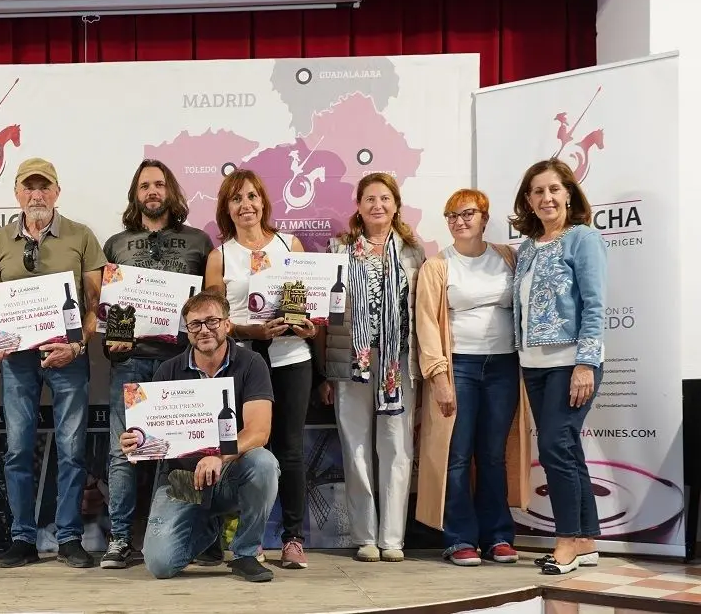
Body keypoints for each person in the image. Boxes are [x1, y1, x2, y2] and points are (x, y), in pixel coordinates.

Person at [0, 157, 107, 569]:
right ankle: (22, 537)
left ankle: (69, 537)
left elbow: (96, 305)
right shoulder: (0, 241)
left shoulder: (81, 236)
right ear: (16, 192)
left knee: (71, 450)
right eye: (28, 187)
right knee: (17, 450)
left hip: (67, 357)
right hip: (17, 361)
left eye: (44, 187)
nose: (37, 194)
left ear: (57, 191)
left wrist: (78, 345)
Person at [99, 159, 213, 569]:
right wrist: (113, 344)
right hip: (130, 363)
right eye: (145, 185)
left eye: (159, 184)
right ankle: (119, 540)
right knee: (123, 453)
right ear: (135, 194)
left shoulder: (200, 242)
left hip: (184, 363)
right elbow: (109, 313)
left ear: (171, 192)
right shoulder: (115, 245)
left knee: (184, 451)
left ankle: (190, 536)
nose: (152, 191)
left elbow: (211, 308)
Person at [202, 168, 314, 569]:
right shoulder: (220, 257)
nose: (246, 205)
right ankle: (250, 540)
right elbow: (214, 320)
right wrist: (253, 329)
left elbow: (312, 308)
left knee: (291, 449)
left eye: (252, 196)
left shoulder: (291, 244)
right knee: (250, 450)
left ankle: (293, 539)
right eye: (237, 199)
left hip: (291, 359)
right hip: (243, 363)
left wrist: (306, 324)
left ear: (264, 201)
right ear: (226, 209)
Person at [126, 290, 279, 582]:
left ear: (227, 325)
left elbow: (259, 431)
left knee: (264, 463)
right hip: (183, 479)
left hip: (232, 471)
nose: (204, 330)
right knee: (160, 565)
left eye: (211, 321)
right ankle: (208, 528)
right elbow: (154, 433)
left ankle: (245, 553)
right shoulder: (168, 370)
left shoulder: (251, 363)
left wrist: (219, 458)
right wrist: (136, 443)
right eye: (195, 324)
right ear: (187, 329)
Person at [414, 188, 531, 567]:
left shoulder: (506, 257)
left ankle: (498, 536)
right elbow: (427, 325)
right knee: (458, 455)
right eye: (451, 215)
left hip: (502, 367)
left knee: (494, 455)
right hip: (459, 366)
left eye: (467, 214)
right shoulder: (438, 266)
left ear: (484, 218)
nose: (459, 221)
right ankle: (459, 538)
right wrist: (439, 376)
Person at [315, 172, 426, 563]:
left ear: (396, 204)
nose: (377, 206)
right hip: (350, 364)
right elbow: (323, 317)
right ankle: (364, 537)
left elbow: (424, 313)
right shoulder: (337, 251)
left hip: (398, 364)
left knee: (397, 449)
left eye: (385, 198)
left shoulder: (414, 253)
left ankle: (392, 539)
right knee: (356, 448)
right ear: (358, 206)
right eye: (369, 199)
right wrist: (326, 372)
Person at [509, 158, 606, 576]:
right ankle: (585, 538)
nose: (546, 198)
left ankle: (566, 539)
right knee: (565, 448)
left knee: (554, 446)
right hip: (533, 363)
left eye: (553, 189)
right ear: (528, 201)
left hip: (571, 363)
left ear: (569, 193)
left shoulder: (582, 238)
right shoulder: (528, 247)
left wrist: (586, 363)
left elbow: (595, 305)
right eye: (537, 192)